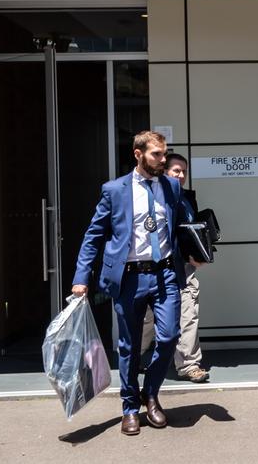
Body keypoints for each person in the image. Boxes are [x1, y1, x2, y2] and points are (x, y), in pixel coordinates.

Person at [71, 131, 200, 436]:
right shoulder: (114, 190)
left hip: (165, 272)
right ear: (138, 154)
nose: (163, 160)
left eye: (164, 153)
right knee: (129, 347)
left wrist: (199, 248)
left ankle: (151, 393)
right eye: (157, 154)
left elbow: (185, 222)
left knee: (169, 337)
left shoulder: (171, 186)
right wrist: (80, 278)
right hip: (130, 277)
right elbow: (93, 236)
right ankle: (130, 406)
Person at [141, 153, 209, 383]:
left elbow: (191, 232)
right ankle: (134, 355)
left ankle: (189, 365)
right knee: (147, 319)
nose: (181, 176)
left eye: (184, 172)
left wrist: (198, 252)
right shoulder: (154, 197)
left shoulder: (187, 198)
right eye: (176, 171)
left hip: (184, 269)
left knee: (188, 315)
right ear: (165, 171)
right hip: (156, 271)